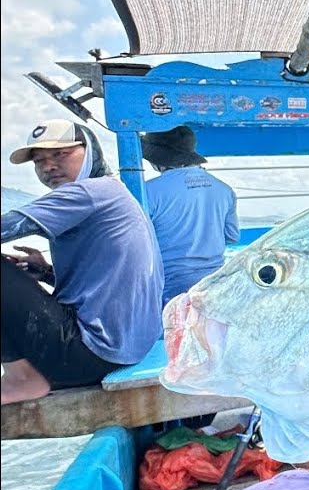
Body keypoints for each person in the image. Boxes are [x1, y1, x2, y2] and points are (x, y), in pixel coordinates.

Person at [1, 119, 164, 404]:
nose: (48, 166)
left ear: (91, 151)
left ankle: (22, 378)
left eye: (60, 154)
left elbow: (9, 225)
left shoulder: (90, 191)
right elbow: (110, 277)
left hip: (93, 354)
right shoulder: (112, 191)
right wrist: (47, 272)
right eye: (39, 161)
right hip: (125, 345)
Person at [141, 125, 239, 306]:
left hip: (168, 289)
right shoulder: (225, 190)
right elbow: (232, 237)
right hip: (215, 284)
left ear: (157, 158)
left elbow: (137, 246)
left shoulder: (146, 191)